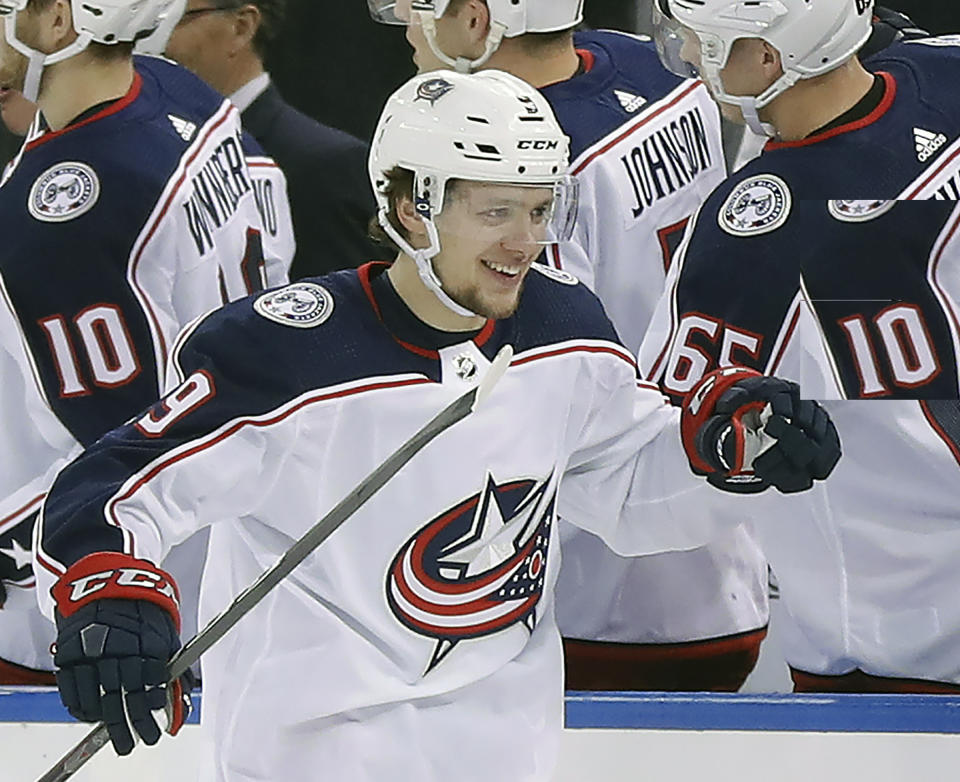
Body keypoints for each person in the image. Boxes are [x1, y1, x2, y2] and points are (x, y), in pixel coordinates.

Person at [36, 70, 839, 778]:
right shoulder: (285, 356)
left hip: (502, 755)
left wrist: (727, 450)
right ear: (409, 208)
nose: (526, 244)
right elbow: (112, 490)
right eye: (496, 213)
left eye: (538, 210)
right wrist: (112, 596)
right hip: (311, 760)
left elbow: (624, 486)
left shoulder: (561, 330)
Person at [369, 0, 771, 690]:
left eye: (422, 6)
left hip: (589, 591)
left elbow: (526, 385)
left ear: (476, 20)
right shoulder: (661, 71)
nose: (408, 25)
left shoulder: (513, 165)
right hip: (714, 538)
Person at [641, 0, 960, 691]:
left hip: (901, 649)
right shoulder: (942, 71)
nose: (692, 59)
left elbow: (657, 453)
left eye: (704, 43)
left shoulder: (752, 234)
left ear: (766, 58)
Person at [0, 0, 292, 685]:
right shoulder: (171, 84)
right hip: (224, 529)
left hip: (84, 614)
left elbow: (118, 452)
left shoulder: (61, 220)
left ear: (60, 23)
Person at [164, 0, 384, 279]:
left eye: (170, 19)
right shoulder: (149, 149)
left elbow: (353, 311)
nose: (150, 40)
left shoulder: (323, 164)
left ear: (241, 27)